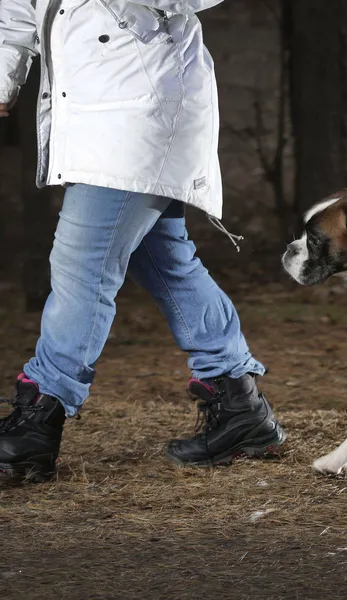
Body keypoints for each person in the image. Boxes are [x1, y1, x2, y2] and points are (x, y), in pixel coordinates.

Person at [0, 0, 284, 480]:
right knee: (164, 260)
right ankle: (239, 403)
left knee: (82, 263)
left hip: (143, 112)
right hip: (89, 116)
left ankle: (40, 416)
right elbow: (14, 13)